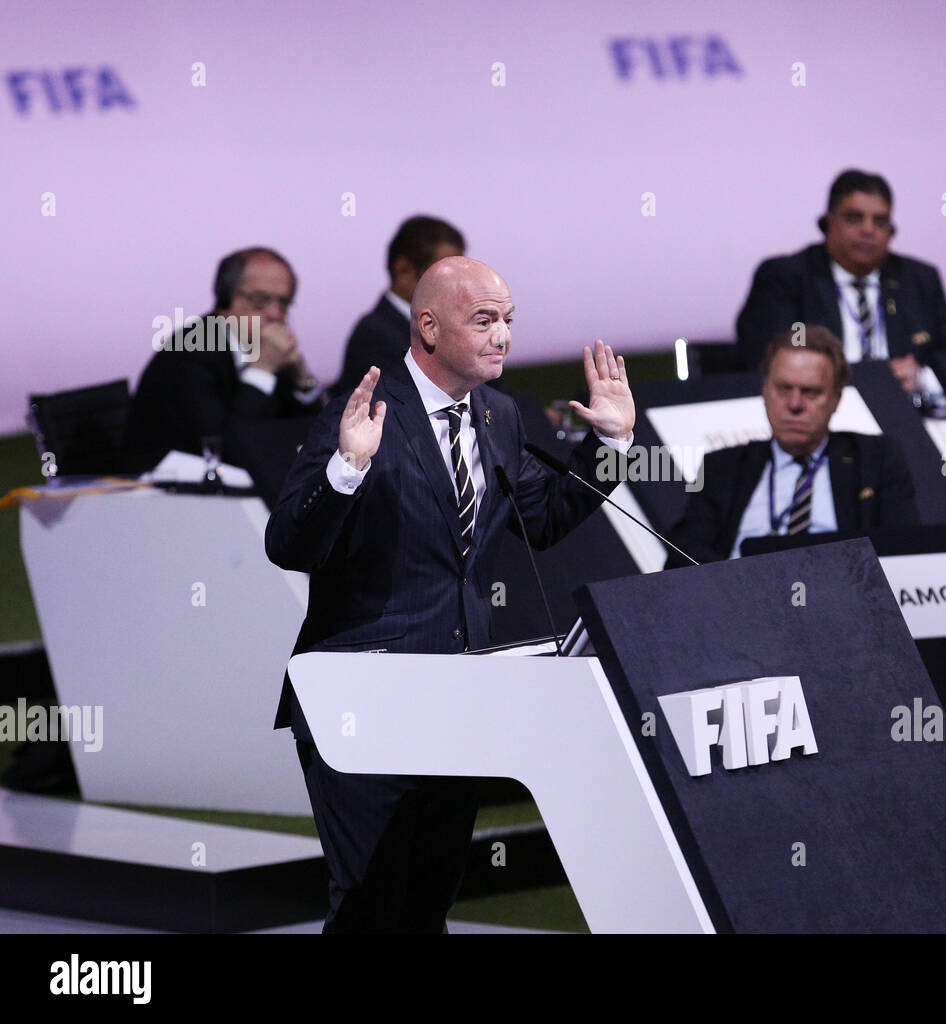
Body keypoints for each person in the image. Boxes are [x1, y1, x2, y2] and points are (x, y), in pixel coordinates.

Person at [265, 256, 634, 932]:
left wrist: (609, 441)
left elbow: (546, 519)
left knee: (428, 902)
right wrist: (346, 469)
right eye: (485, 320)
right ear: (428, 327)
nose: (503, 337)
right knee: (372, 907)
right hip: (361, 702)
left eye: (509, 321)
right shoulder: (366, 412)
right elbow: (288, 544)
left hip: (459, 703)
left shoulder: (498, 414)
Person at [666, 326, 918, 568]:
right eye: (783, 389)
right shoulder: (723, 467)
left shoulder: (874, 459)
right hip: (742, 598)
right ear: (765, 390)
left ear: (836, 399)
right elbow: (681, 556)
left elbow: (903, 554)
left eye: (810, 392)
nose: (794, 404)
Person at [734, 169, 946, 396]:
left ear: (891, 231)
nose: (868, 230)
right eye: (854, 218)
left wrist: (921, 377)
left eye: (880, 221)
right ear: (828, 223)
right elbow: (771, 360)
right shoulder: (787, 278)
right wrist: (866, 380)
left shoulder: (919, 280)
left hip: (908, 407)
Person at [123, 246, 325, 492]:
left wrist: (302, 379)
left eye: (283, 303)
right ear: (225, 299)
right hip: (166, 495)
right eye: (260, 301)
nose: (275, 314)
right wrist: (261, 371)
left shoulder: (268, 351)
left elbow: (313, 439)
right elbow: (227, 450)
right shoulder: (190, 352)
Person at [332, 215, 466, 397]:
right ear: (403, 269)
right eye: (444, 274)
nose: (457, 284)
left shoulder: (456, 326)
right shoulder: (375, 336)